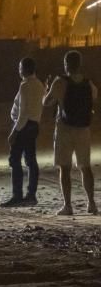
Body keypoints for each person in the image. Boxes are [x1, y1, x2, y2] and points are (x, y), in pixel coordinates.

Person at [43, 49, 99, 216]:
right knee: (85, 167)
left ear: (66, 64)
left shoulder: (60, 82)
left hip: (64, 128)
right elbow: (93, 99)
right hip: (83, 129)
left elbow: (47, 102)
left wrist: (47, 89)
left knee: (65, 168)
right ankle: (91, 203)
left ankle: (68, 205)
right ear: (80, 64)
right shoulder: (89, 83)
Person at [3, 57, 43, 207]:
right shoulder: (39, 84)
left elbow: (23, 113)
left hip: (24, 126)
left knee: (15, 159)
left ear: (25, 69)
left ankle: (17, 195)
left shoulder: (25, 86)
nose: (19, 70)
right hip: (34, 125)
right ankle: (31, 194)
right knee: (31, 160)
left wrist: (14, 131)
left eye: (20, 67)